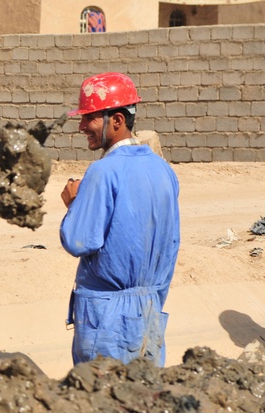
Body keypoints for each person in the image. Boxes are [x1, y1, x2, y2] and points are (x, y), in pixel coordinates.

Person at [59, 72, 180, 367]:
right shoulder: (164, 171)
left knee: (102, 404)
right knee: (144, 401)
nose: (82, 126)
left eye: (90, 118)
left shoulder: (102, 172)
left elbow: (78, 241)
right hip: (150, 309)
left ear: (117, 120)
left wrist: (75, 204)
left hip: (106, 319)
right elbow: (170, 244)